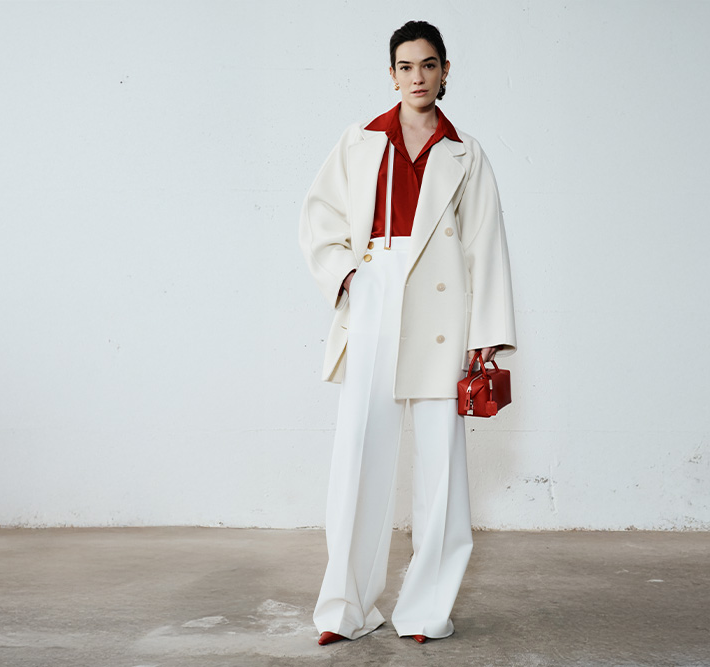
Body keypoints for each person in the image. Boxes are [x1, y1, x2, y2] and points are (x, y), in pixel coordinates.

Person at [299, 19, 517, 646]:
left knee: (440, 463)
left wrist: (485, 333)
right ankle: (345, 610)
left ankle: (424, 611)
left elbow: (485, 245)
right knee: (358, 454)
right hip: (374, 294)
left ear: (445, 71)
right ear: (391, 74)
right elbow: (320, 215)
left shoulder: (466, 152)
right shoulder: (361, 141)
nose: (416, 77)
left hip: (443, 311)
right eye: (405, 66)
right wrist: (348, 278)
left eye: (428, 65)